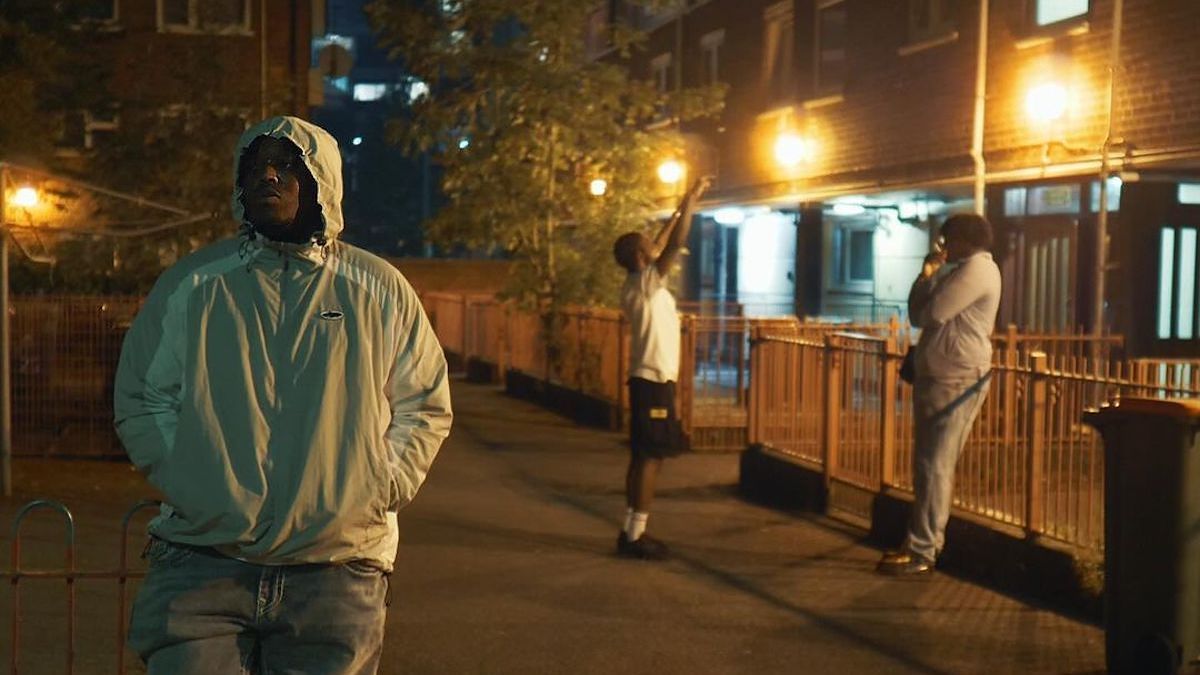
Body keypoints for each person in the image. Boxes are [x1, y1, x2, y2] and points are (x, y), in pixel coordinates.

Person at [114, 116, 452, 673]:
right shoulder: (193, 285)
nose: (268, 175)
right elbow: (143, 398)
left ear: (323, 180)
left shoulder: (378, 288)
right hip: (205, 564)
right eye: (255, 165)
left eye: (287, 165)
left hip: (337, 568)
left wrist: (376, 485)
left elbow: (423, 403)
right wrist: (198, 483)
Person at [877, 213, 1001, 577]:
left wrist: (934, 280)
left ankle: (924, 550)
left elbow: (934, 312)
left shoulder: (977, 271)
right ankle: (918, 544)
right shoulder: (957, 270)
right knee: (928, 464)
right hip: (941, 374)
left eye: (946, 240)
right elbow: (917, 313)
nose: (942, 248)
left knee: (935, 466)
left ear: (963, 240)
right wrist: (926, 274)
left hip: (958, 377)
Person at [611, 177, 709, 560]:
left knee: (642, 455)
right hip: (653, 381)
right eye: (647, 245)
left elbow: (663, 239)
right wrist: (691, 206)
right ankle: (635, 536)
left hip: (648, 380)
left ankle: (631, 530)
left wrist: (683, 205)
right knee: (651, 457)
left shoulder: (639, 282)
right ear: (641, 257)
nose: (655, 245)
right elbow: (674, 245)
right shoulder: (648, 283)